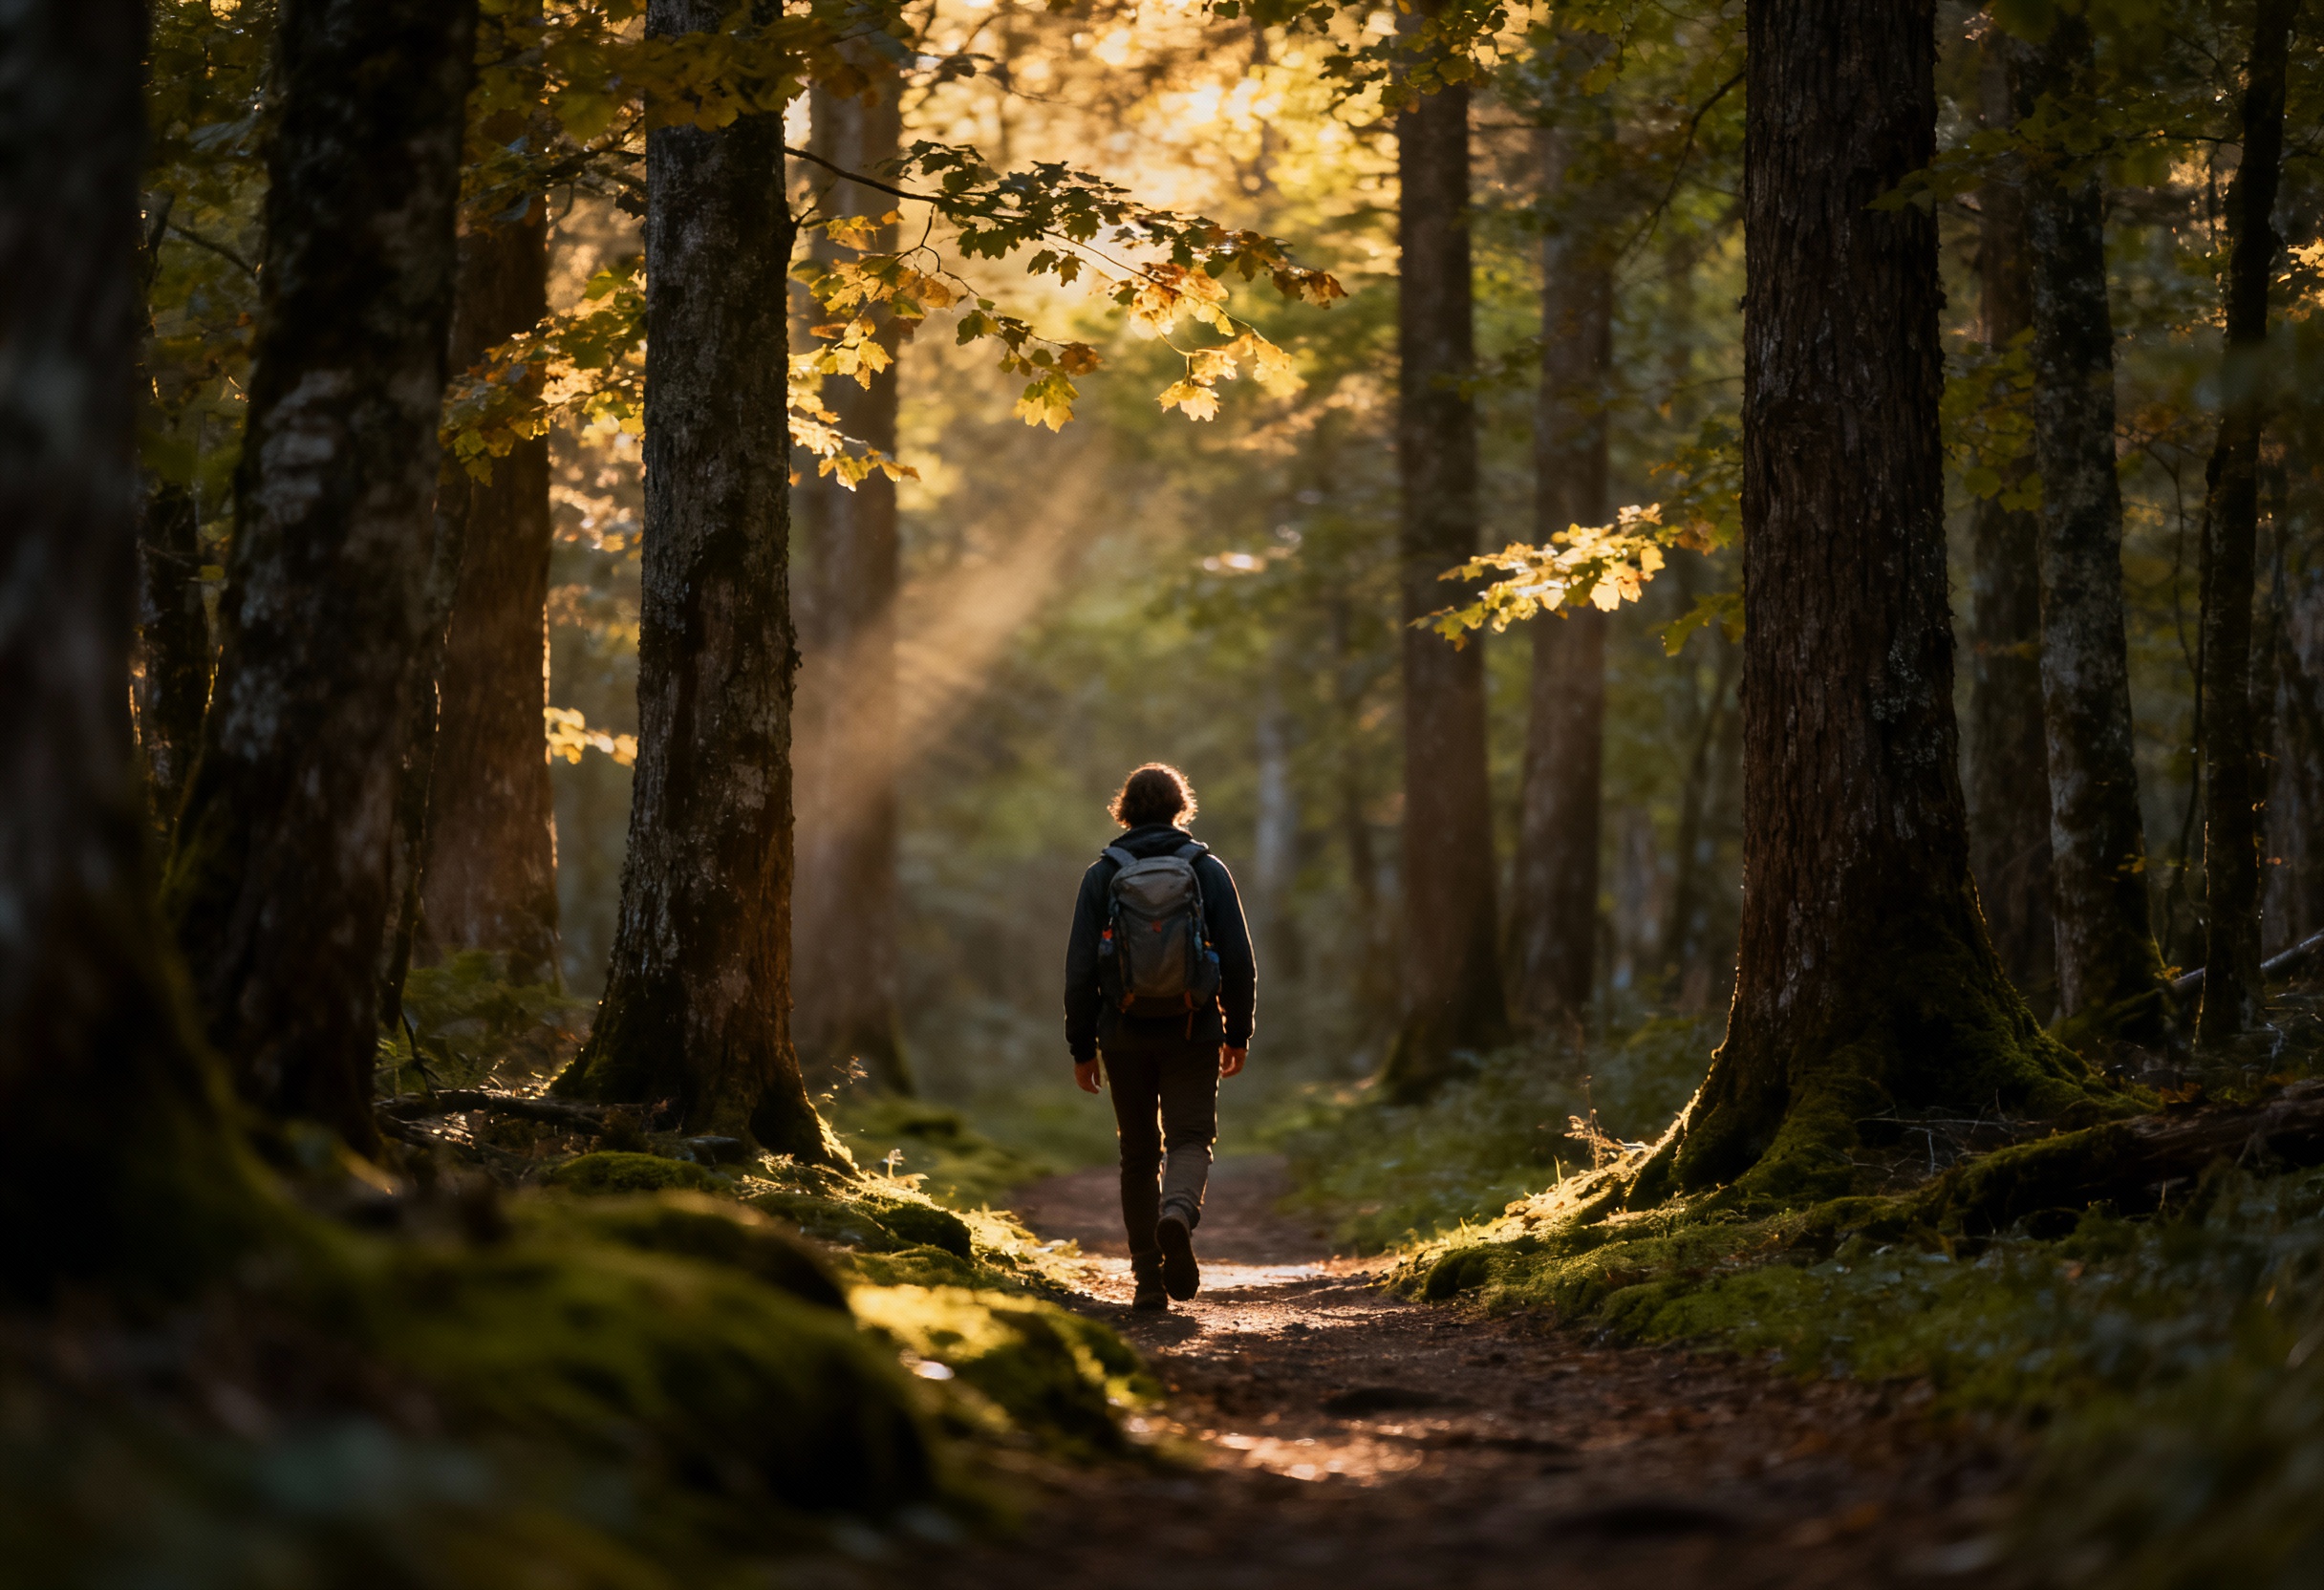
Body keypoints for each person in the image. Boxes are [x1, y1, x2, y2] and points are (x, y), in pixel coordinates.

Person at [1064, 763, 1256, 1311]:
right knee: (1191, 1139)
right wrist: (1237, 1031)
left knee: (1138, 1154)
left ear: (1124, 809)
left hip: (1122, 1035)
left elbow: (1080, 967)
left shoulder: (1102, 874)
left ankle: (1148, 1279)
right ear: (1180, 807)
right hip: (1193, 1029)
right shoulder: (1207, 868)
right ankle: (1178, 1213)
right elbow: (1239, 959)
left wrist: (1082, 1047)